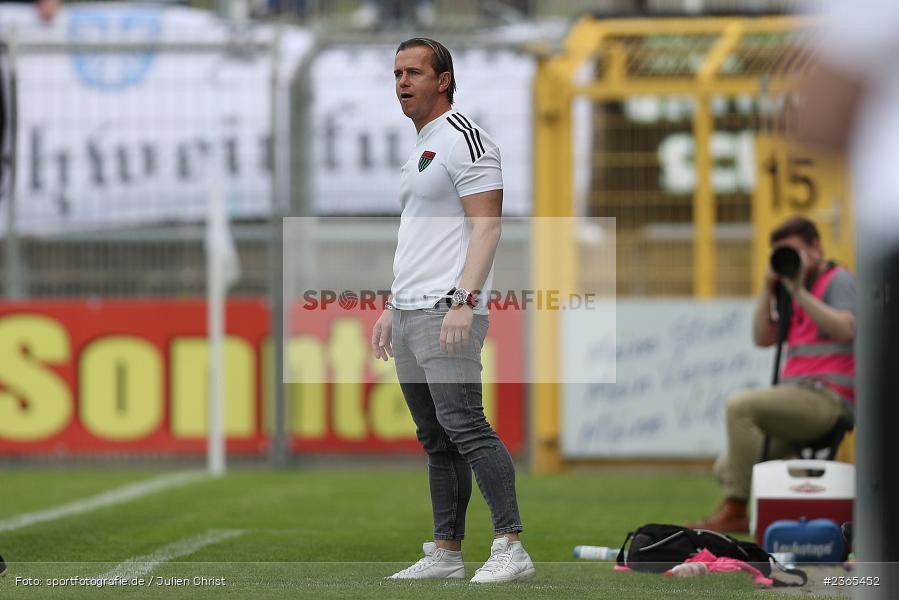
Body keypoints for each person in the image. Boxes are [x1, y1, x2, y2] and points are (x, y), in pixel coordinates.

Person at [371, 37, 534, 583]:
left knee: (466, 424)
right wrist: (392, 306)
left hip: (448, 309)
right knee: (437, 438)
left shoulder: (465, 138)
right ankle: (446, 552)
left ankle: (510, 544)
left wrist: (464, 301)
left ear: (443, 80)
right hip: (413, 309)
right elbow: (418, 238)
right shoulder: (424, 145)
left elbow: (487, 227)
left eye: (414, 72)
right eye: (397, 73)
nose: (402, 82)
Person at [688, 216, 856, 533]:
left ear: (815, 248)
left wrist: (799, 292)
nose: (789, 261)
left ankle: (736, 509)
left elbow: (846, 329)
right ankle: (800, 477)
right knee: (725, 466)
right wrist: (769, 287)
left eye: (794, 252)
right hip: (795, 402)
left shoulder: (839, 280)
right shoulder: (789, 289)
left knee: (740, 404)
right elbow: (762, 337)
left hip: (827, 400)